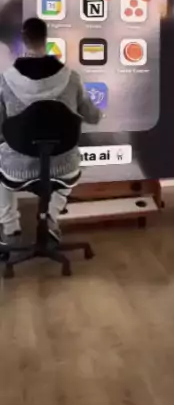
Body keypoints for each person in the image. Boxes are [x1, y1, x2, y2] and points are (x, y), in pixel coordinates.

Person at [0, 17, 101, 243]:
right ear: (46, 39)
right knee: (75, 162)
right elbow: (93, 117)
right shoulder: (72, 78)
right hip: (63, 166)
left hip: (17, 168)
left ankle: (10, 227)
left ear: (23, 39)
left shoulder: (5, 81)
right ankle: (51, 217)